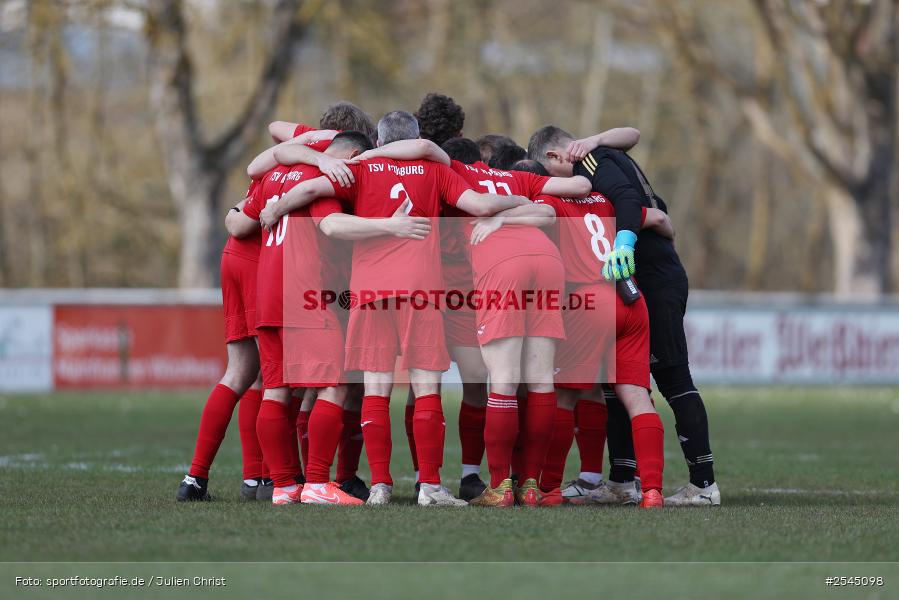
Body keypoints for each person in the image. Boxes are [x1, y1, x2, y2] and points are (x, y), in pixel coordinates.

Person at [259, 112, 534, 506]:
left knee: (375, 388)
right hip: (420, 288)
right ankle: (430, 488)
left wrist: (276, 208)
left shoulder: (360, 167)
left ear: (381, 140)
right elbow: (479, 204)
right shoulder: (432, 170)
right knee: (425, 388)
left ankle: (380, 486)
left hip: (369, 290)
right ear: (415, 136)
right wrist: (520, 199)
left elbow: (314, 198)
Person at [528, 125, 721, 506]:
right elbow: (658, 217)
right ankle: (640, 486)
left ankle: (548, 489)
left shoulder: (575, 183)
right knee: (631, 394)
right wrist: (663, 232)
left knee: (571, 395)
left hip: (602, 295)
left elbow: (628, 198)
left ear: (553, 157)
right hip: (632, 297)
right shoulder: (603, 196)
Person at [227, 132, 386, 506]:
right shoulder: (328, 183)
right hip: (307, 292)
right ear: (356, 154)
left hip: (268, 291)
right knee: (335, 384)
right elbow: (331, 226)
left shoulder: (275, 175)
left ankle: (282, 486)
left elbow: (239, 221)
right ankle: (316, 482)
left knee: (277, 389)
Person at [176, 181, 269, 503]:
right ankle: (277, 477)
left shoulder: (275, 161)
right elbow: (242, 223)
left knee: (243, 372)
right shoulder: (314, 166)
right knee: (276, 376)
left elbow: (237, 220)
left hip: (234, 257)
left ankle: (197, 478)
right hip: (261, 261)